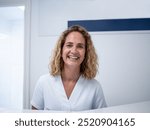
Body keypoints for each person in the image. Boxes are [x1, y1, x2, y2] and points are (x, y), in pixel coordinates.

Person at [31, 25, 107, 111]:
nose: (74, 51)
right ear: (61, 49)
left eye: (80, 46)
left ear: (86, 52)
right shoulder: (43, 82)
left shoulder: (95, 87)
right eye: (69, 45)